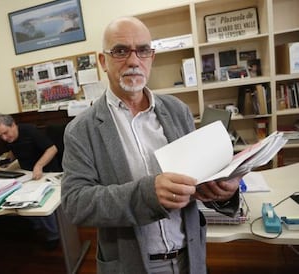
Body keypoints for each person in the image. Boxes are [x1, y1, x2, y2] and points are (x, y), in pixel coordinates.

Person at [61, 17, 241, 274]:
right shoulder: (81, 129)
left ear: (151, 57)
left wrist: (222, 190)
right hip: (130, 264)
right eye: (121, 51)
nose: (134, 61)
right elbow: (75, 203)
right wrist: (147, 195)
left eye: (143, 50)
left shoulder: (177, 110)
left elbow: (198, 177)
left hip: (190, 257)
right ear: (103, 61)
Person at [0, 114, 61, 250]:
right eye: (0, 136)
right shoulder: (9, 138)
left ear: (13, 125)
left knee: (39, 201)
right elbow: (16, 149)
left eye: (5, 133)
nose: (4, 138)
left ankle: (54, 235)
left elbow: (52, 149)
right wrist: (7, 161)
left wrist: (39, 165)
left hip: (46, 172)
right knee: (16, 197)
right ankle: (38, 224)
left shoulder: (30, 131)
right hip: (27, 174)